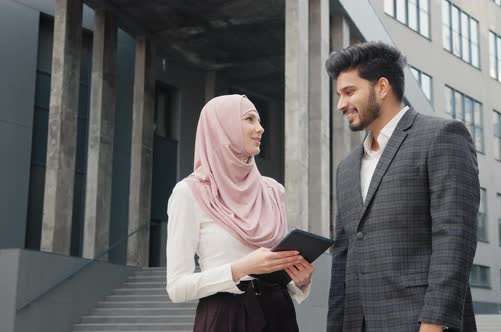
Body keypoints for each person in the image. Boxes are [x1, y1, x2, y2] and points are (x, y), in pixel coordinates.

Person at [326, 41, 480, 332]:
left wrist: (434, 322)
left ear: (382, 88)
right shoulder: (346, 168)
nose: (340, 104)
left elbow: (455, 237)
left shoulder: (441, 137)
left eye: (349, 92)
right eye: (339, 94)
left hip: (420, 322)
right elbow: (342, 258)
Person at [166, 94, 314, 332]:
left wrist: (301, 281)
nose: (260, 129)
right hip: (226, 316)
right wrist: (240, 268)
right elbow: (176, 287)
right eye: (250, 119)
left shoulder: (273, 190)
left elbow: (279, 268)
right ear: (222, 128)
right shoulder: (190, 192)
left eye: (259, 120)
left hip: (279, 313)